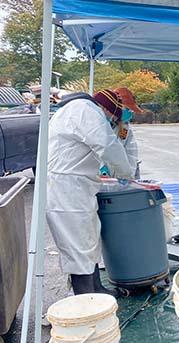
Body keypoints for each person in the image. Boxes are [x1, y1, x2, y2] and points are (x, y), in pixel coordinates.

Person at [47, 89, 134, 297]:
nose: (111, 123)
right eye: (111, 119)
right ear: (105, 109)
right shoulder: (85, 110)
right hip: (67, 189)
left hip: (77, 186)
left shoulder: (78, 109)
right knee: (78, 246)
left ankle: (96, 289)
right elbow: (107, 145)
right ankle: (86, 298)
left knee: (88, 239)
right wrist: (125, 174)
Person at [100, 87, 143, 179]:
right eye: (127, 109)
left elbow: (130, 151)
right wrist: (101, 168)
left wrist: (128, 175)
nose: (129, 112)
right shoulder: (96, 124)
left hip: (116, 177)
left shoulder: (124, 127)